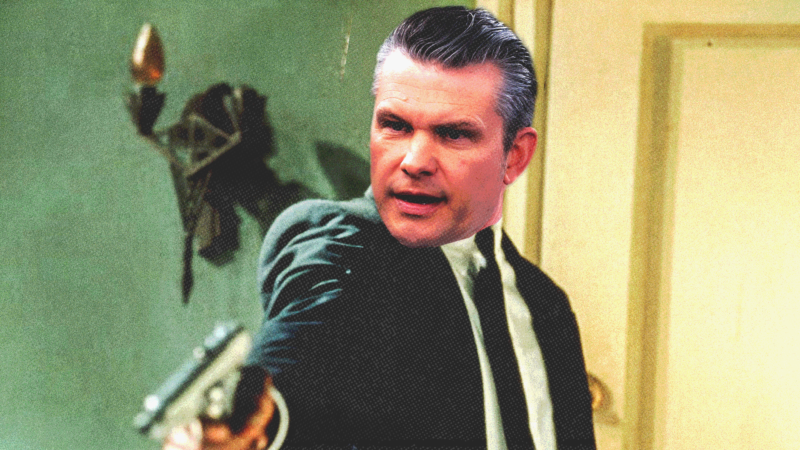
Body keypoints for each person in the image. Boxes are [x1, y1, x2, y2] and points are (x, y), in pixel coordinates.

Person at [165, 6, 595, 450]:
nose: (414, 161)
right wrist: (259, 422)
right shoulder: (343, 244)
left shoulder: (546, 304)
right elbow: (302, 347)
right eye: (395, 125)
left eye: (453, 134)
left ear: (515, 156)